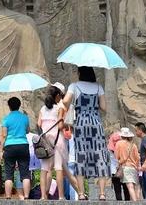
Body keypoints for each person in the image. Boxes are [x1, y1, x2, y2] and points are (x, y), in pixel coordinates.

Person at [62, 66, 111, 200]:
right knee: (100, 156)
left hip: (81, 123)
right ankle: (101, 193)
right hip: (95, 122)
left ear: (79, 73)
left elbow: (65, 101)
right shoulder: (98, 87)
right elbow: (104, 107)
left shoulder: (74, 86)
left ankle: (81, 194)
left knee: (81, 156)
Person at [38, 85, 80, 200]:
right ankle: (61, 196)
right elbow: (61, 125)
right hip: (57, 140)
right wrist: (67, 124)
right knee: (58, 168)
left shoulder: (42, 108)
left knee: (44, 169)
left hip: (46, 141)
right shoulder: (59, 108)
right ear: (57, 96)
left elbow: (39, 124)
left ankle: (43, 196)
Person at [0, 97, 31, 199]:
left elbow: (4, 135)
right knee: (25, 173)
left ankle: (8, 196)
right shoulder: (25, 117)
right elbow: (27, 131)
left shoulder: (6, 119)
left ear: (9, 106)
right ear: (19, 105)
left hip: (10, 146)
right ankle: (26, 196)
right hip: (23, 145)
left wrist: (1, 149)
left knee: (9, 173)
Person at [115, 127, 141, 201]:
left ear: (121, 135)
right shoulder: (133, 145)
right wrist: (136, 165)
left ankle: (135, 202)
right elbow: (138, 158)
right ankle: (137, 200)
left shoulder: (119, 143)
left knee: (130, 186)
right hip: (134, 167)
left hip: (125, 166)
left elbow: (116, 157)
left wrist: (118, 164)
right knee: (135, 185)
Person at [108, 130, 129, 201]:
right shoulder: (124, 146)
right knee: (126, 190)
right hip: (125, 170)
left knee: (117, 191)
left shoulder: (109, 149)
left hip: (114, 172)